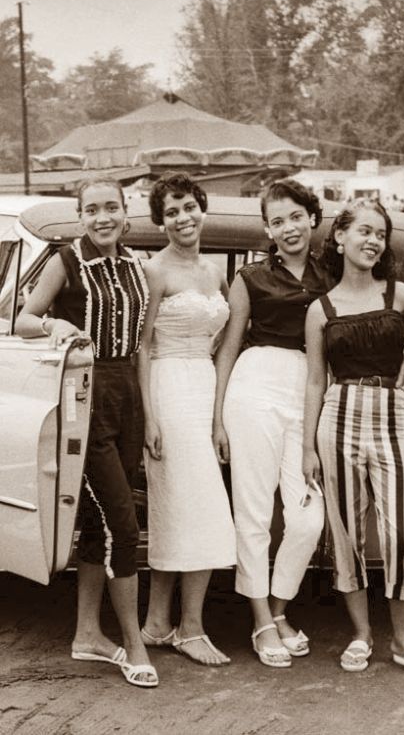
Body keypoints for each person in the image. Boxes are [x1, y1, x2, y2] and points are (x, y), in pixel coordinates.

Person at [302, 198, 404, 678]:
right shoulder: (321, 308)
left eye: (381, 234)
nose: (374, 241)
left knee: (400, 534)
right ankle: (361, 635)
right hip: (339, 416)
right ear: (340, 237)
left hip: (391, 418)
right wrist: (308, 446)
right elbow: (315, 379)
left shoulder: (396, 293)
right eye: (365, 231)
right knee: (347, 533)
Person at [15, 178, 158, 688]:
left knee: (99, 524)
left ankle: (86, 636)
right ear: (81, 216)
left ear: (126, 212)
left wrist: (150, 416)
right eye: (92, 209)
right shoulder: (65, 261)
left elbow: (142, 346)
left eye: (111, 208)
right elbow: (25, 319)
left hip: (128, 400)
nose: (103, 217)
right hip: (85, 399)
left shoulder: (137, 265)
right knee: (124, 525)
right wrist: (55, 326)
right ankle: (134, 645)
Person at [213, 179, 328, 668]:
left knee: (306, 517)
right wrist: (217, 416)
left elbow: (374, 320)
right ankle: (262, 619)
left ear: (312, 218)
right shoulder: (251, 277)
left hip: (310, 388)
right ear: (267, 230)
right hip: (255, 384)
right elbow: (229, 347)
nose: (288, 228)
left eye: (295, 216)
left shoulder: (334, 275)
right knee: (255, 511)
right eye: (277, 221)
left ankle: (280, 607)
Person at [137, 171, 236, 666]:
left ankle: (159, 623)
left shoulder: (217, 271)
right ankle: (188, 628)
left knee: (185, 508)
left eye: (189, 207)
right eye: (171, 212)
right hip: (168, 387)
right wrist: (148, 418)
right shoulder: (155, 271)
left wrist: (219, 418)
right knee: (190, 507)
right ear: (161, 223)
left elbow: (221, 348)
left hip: (203, 387)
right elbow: (142, 347)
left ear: (202, 208)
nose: (183, 218)